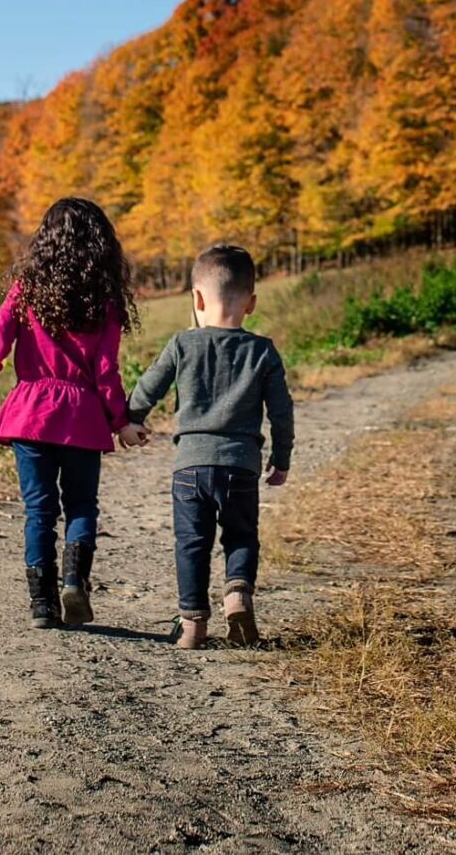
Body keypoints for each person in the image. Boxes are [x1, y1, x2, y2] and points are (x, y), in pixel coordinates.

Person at [0, 196, 138, 629]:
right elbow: (106, 371)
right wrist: (120, 422)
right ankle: (75, 581)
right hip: (81, 417)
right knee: (81, 507)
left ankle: (42, 605)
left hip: (31, 416)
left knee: (39, 510)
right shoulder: (105, 301)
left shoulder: (27, 289)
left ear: (45, 241)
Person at [123, 242, 294, 648]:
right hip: (241, 467)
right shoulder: (263, 351)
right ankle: (237, 595)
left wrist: (131, 421)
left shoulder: (182, 344)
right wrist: (281, 458)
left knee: (192, 543)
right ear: (251, 303)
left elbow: (148, 387)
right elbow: (282, 412)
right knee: (241, 536)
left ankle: (193, 626)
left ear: (197, 299)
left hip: (190, 468)